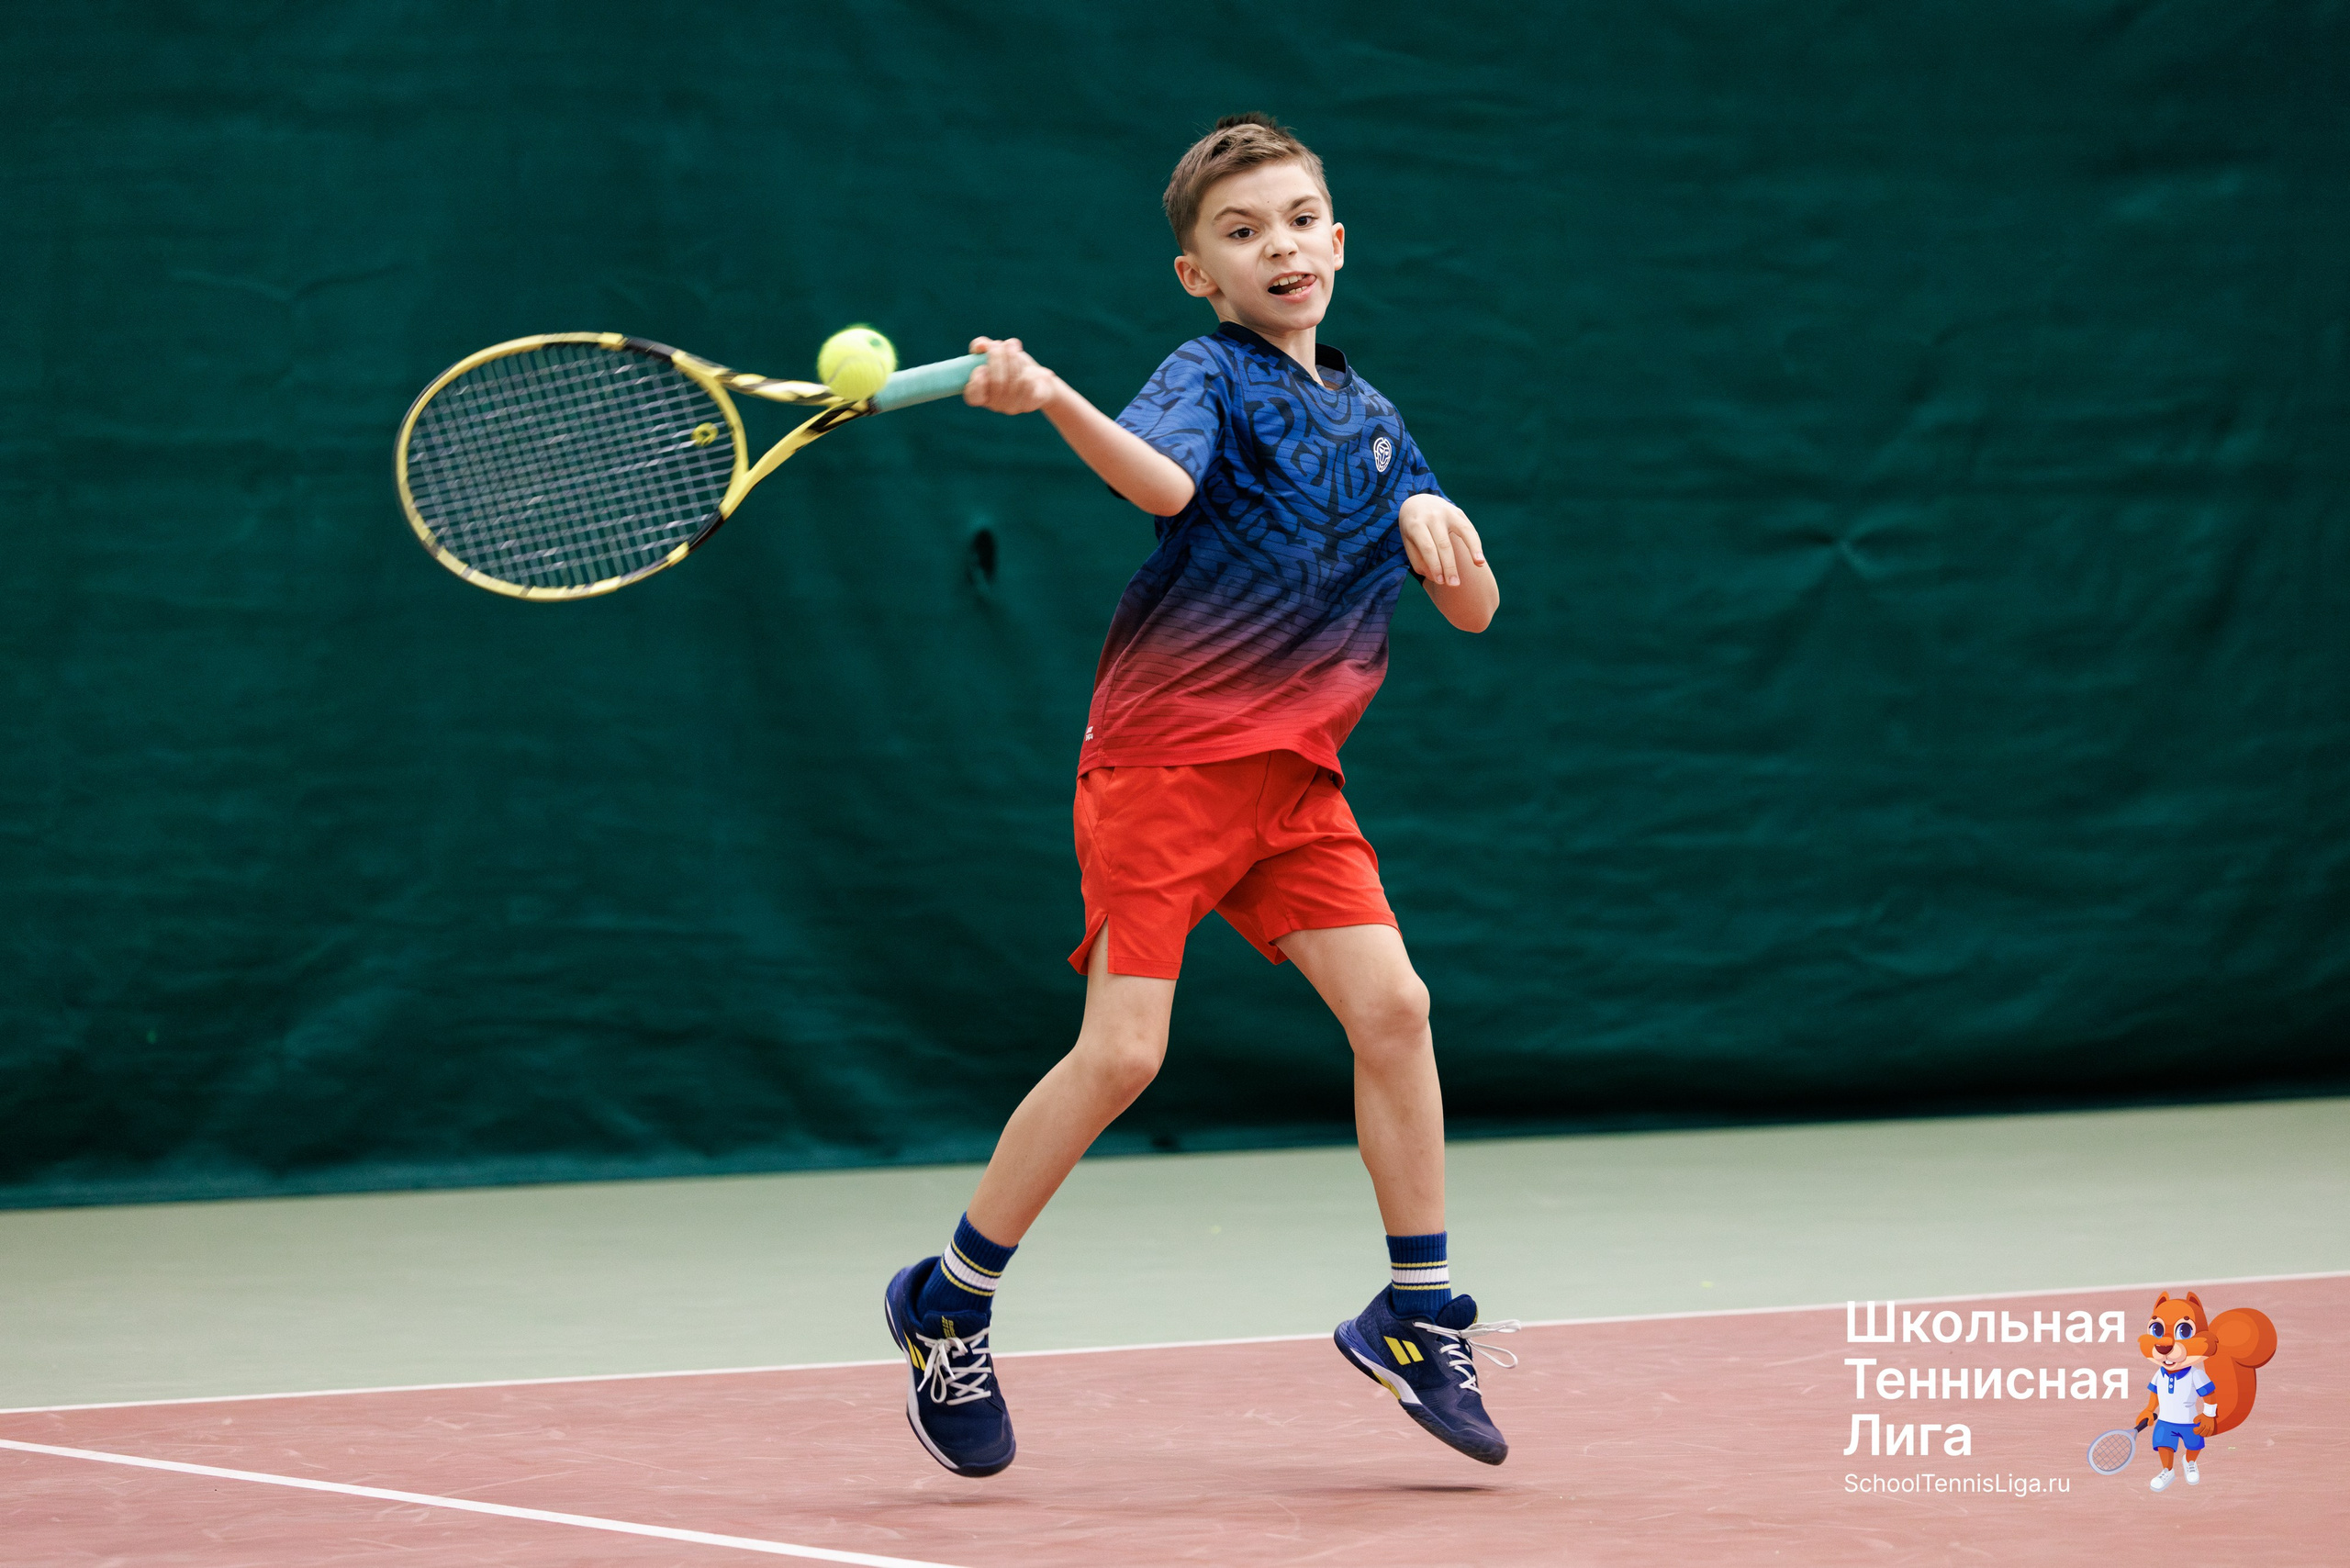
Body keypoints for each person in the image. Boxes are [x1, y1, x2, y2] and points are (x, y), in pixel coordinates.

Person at [881, 113, 1514, 1477]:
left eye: (1297, 220)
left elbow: (1473, 611)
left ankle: (1413, 1312)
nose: (1277, 245)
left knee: (1395, 1010)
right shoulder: (1206, 373)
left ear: (1336, 241)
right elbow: (1163, 483)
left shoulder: (1375, 418)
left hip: (1295, 783)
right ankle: (949, 1303)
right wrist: (1051, 397)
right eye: (1241, 232)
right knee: (1123, 1056)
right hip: (1167, 760)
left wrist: (1433, 531)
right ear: (1199, 275)